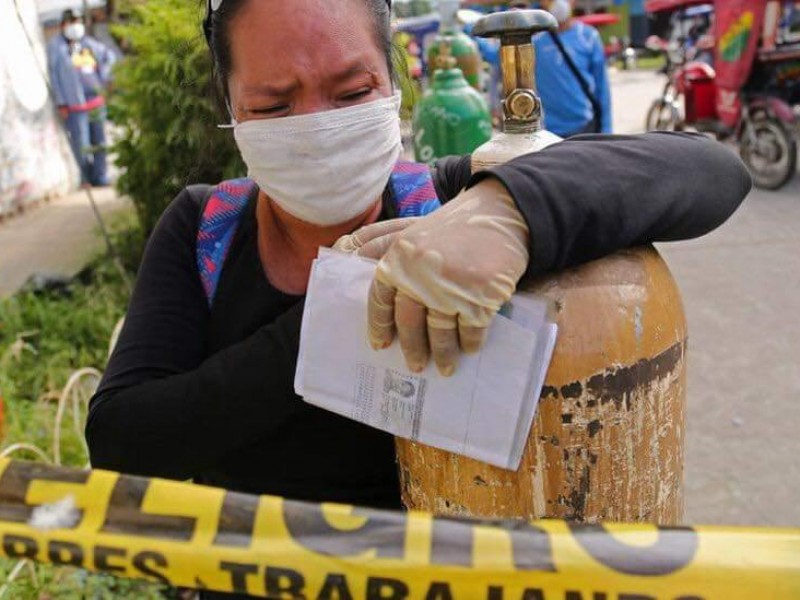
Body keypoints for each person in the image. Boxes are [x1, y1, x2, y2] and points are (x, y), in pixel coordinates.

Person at [86, 2, 748, 591]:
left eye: (350, 91)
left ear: (395, 87)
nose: (317, 127)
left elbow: (711, 171)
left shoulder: (446, 203)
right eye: (272, 105)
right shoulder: (206, 231)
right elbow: (124, 438)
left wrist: (506, 212)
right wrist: (342, 311)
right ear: (230, 107)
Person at [46, 9, 116, 187]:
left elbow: (109, 57)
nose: (76, 26)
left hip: (96, 102)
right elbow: (54, 76)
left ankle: (100, 177)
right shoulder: (57, 48)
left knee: (100, 143)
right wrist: (61, 102)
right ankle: (86, 178)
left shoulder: (89, 44)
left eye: (78, 21)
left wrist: (106, 78)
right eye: (72, 22)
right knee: (82, 145)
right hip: (74, 106)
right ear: (63, 25)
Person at [532, 0, 612, 136]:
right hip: (550, 132)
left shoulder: (588, 37)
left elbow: (602, 87)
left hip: (586, 127)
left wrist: (606, 129)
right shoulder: (535, 43)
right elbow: (497, 57)